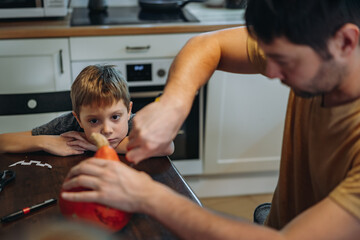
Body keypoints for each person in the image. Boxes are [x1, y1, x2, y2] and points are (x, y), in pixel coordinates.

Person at [61, 0, 360, 239]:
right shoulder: (304, 39)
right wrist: (173, 104)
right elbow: (208, 45)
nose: (269, 72)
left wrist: (147, 196)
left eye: (285, 62)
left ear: (346, 41)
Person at [0, 64, 174, 157]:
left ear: (128, 111)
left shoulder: (134, 123)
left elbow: (167, 147)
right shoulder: (68, 124)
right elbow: (3, 142)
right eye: (93, 121)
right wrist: (45, 142)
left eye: (115, 117)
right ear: (78, 119)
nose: (107, 130)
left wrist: (97, 146)